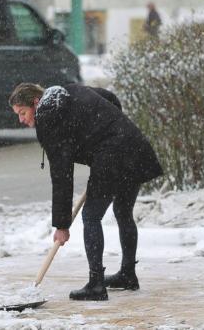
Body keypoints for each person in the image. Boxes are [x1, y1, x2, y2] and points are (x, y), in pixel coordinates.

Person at [9, 83, 163, 301]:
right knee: (123, 211)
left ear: (36, 103)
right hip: (134, 146)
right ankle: (127, 274)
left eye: (22, 113)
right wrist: (108, 126)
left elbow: (62, 175)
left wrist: (62, 225)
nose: (21, 119)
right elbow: (109, 97)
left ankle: (96, 285)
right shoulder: (69, 90)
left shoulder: (49, 121)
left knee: (91, 216)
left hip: (112, 157)